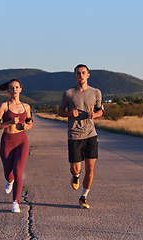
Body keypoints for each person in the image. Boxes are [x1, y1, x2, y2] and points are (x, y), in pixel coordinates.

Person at [57, 64, 104, 209]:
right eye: (78, 73)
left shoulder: (96, 92)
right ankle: (76, 176)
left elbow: (100, 110)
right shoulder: (68, 93)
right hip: (75, 135)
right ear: (75, 76)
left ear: (88, 75)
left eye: (84, 72)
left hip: (91, 134)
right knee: (76, 169)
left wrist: (95, 115)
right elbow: (60, 111)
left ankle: (84, 196)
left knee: (90, 168)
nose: (81, 75)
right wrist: (70, 114)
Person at [0, 79, 33, 213]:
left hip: (22, 141)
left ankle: (16, 201)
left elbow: (29, 121)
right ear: (8, 90)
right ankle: (9, 181)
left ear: (20, 89)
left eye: (16, 87)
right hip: (7, 141)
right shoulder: (4, 106)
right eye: (11, 88)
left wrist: (27, 125)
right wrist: (9, 122)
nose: (14, 90)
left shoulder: (26, 107)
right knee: (8, 174)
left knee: (18, 170)